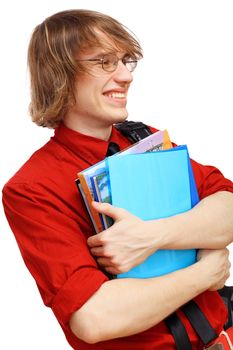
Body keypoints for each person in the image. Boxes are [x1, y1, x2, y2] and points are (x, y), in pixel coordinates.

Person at [2, 9, 233, 350]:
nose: (126, 75)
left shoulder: (145, 139)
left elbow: (227, 205)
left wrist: (151, 237)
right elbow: (95, 318)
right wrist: (203, 274)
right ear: (60, 75)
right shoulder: (32, 188)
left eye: (126, 61)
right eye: (105, 62)